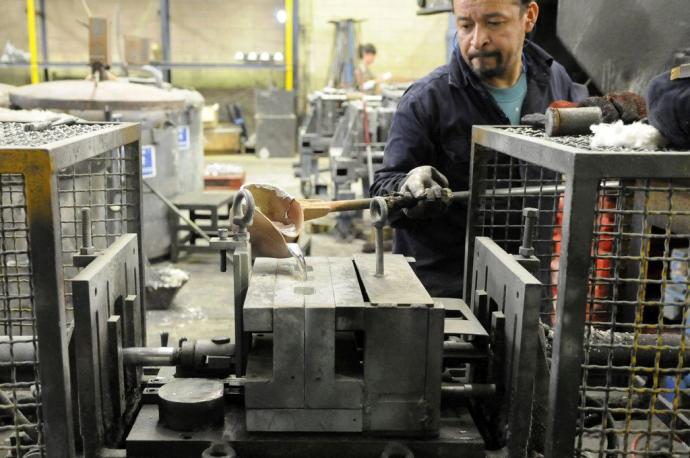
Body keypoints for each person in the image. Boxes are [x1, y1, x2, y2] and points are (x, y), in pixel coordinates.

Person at [370, 0, 587, 298]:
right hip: (446, 297)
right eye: (466, 25)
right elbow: (382, 187)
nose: (478, 39)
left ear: (529, 16)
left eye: (494, 23)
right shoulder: (426, 100)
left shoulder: (553, 80)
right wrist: (407, 185)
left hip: (532, 289)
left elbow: (585, 118)